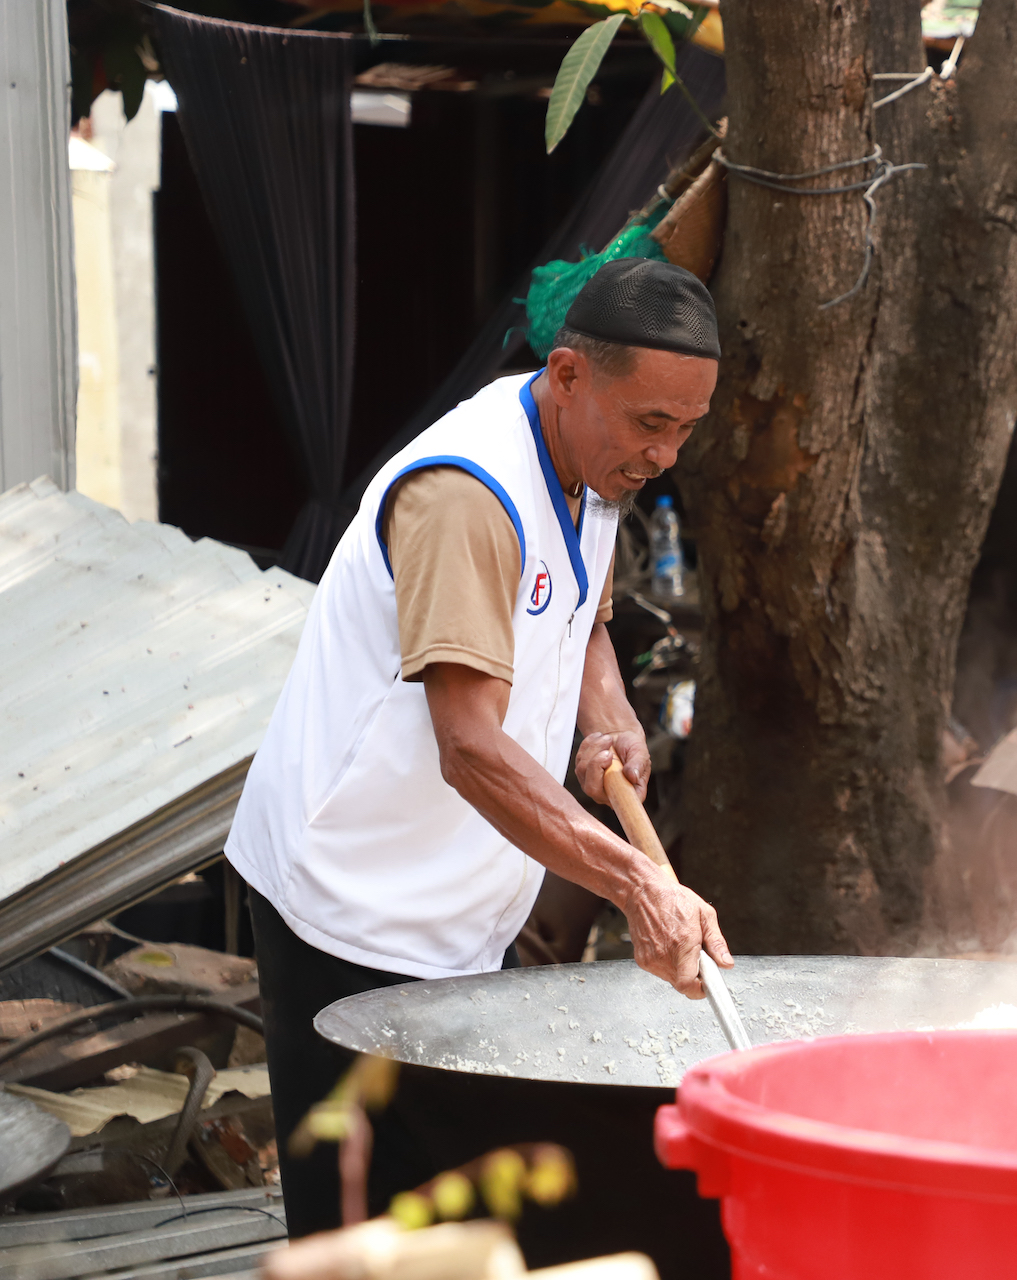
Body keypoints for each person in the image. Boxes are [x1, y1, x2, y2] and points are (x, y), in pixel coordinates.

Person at [226, 259, 732, 1234]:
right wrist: (637, 883)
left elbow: (581, 610)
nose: (666, 455)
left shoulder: (597, 460)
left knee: (452, 1220)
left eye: (687, 428)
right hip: (350, 902)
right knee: (364, 1232)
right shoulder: (468, 498)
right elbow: (467, 745)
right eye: (652, 424)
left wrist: (609, 715)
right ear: (572, 374)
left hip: (457, 905)